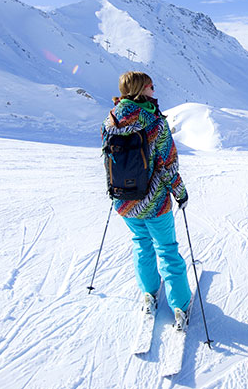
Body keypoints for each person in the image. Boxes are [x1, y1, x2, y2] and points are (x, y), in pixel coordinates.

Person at [102, 71, 192, 329]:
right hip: (154, 202)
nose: (155, 89)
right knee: (167, 250)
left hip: (125, 202)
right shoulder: (154, 123)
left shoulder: (110, 121)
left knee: (141, 244)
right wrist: (180, 193)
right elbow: (168, 165)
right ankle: (180, 305)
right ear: (142, 89)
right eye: (151, 85)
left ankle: (149, 293)